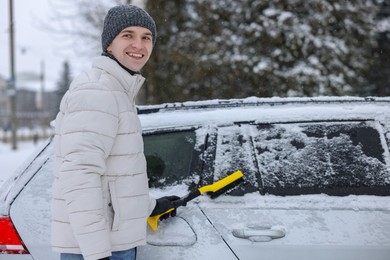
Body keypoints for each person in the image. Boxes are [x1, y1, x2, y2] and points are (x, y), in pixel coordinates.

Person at [51, 5, 181, 260]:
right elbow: (79, 175)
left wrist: (150, 206)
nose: (139, 45)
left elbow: (117, 174)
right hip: (99, 249)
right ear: (109, 44)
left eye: (146, 37)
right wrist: (97, 254)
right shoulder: (97, 91)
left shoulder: (116, 91)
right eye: (128, 35)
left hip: (114, 242)